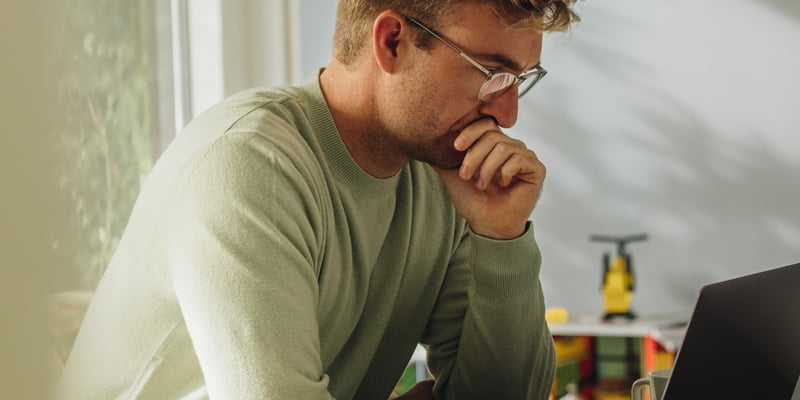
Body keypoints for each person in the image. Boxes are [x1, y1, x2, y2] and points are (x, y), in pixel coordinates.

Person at [56, 0, 579, 399]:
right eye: (492, 74)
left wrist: (501, 236)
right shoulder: (249, 164)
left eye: (519, 80)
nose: (507, 114)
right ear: (392, 41)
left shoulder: (443, 172)